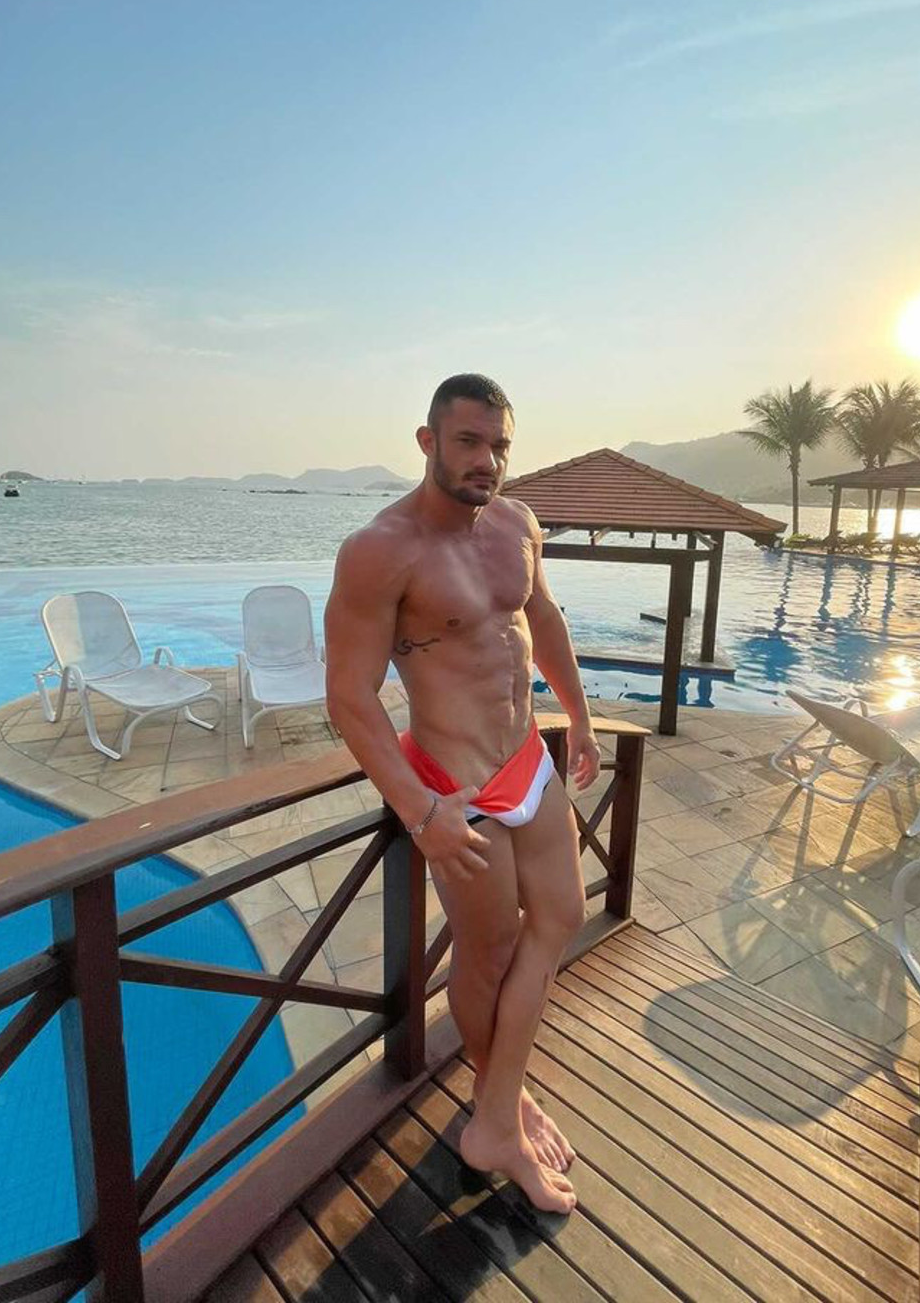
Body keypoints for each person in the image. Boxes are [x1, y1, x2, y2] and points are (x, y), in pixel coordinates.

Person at [324, 373, 600, 1214]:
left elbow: (541, 622)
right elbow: (349, 696)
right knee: (487, 950)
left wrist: (580, 717)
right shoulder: (381, 550)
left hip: (526, 758)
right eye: (470, 442)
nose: (488, 461)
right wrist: (420, 810)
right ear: (428, 441)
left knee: (563, 916)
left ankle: (497, 1107)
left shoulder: (517, 524)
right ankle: (499, 1116)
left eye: (500, 445)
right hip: (454, 786)